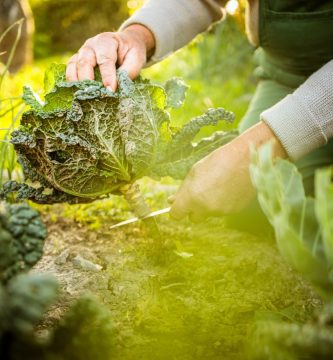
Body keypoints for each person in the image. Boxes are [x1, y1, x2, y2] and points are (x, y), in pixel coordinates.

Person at [66, 0, 333, 224]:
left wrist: (264, 145)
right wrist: (136, 35)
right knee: (256, 210)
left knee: (317, 232)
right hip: (287, 75)